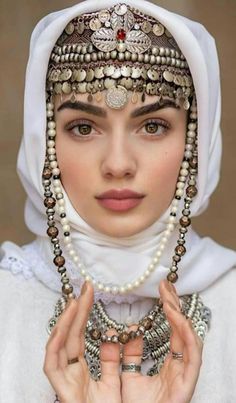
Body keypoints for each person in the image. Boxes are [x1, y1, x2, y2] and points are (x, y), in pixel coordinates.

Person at [0, 0, 236, 402]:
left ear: (195, 144)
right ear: (45, 141)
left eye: (153, 125)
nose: (118, 164)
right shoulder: (7, 301)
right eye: (83, 127)